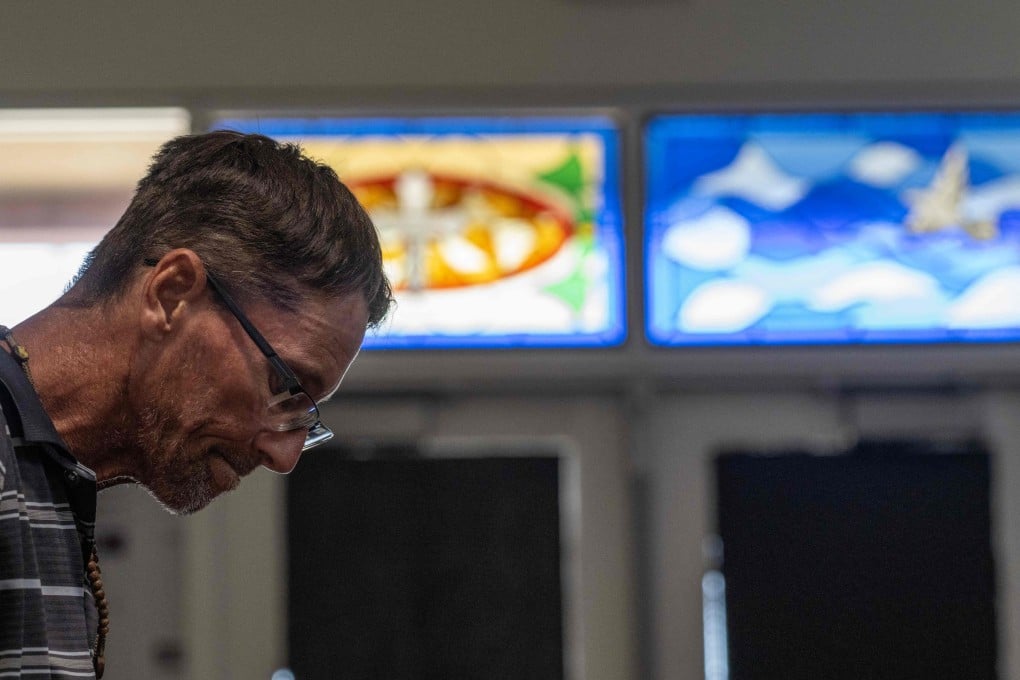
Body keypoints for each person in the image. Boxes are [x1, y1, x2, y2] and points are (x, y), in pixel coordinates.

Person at [0, 131, 393, 678]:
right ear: (171, 293)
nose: (285, 456)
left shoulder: (50, 482)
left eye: (306, 416)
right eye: (285, 386)